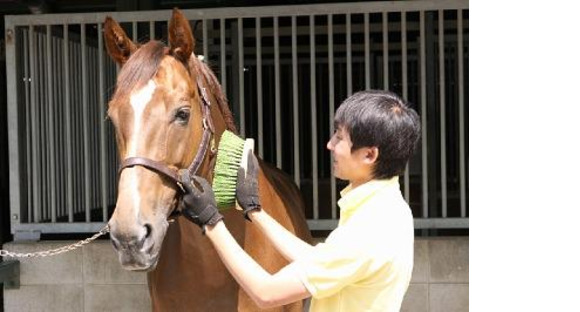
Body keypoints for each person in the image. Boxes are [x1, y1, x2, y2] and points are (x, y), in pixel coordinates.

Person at [178, 90, 421, 311]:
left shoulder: (370, 230)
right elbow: (319, 261)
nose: (330, 145)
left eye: (339, 137)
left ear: (370, 154)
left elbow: (267, 293)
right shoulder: (388, 208)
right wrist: (255, 211)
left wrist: (211, 222)